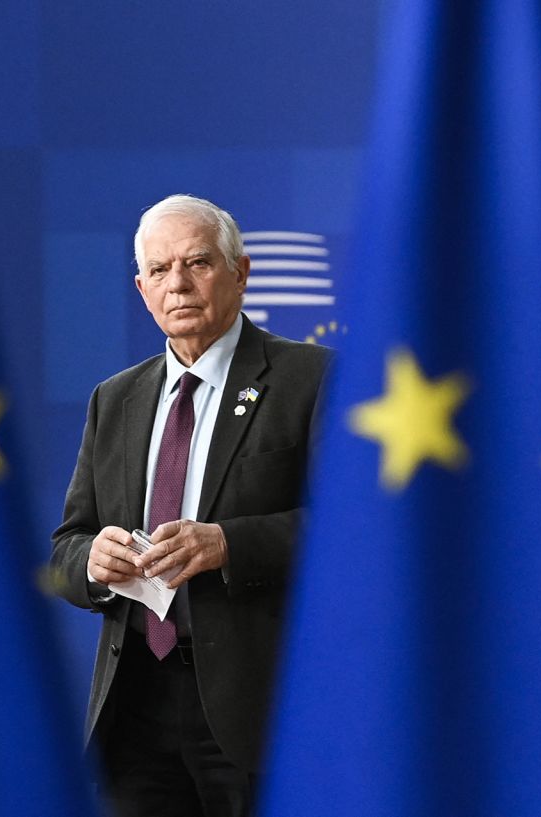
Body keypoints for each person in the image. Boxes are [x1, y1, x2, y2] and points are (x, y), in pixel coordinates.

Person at [51, 194, 332, 817]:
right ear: (142, 288)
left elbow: (355, 536)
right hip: (135, 709)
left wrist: (229, 543)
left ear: (241, 271)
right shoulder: (114, 399)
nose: (177, 283)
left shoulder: (313, 379)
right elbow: (66, 545)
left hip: (258, 710)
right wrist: (93, 565)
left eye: (197, 263)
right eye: (158, 270)